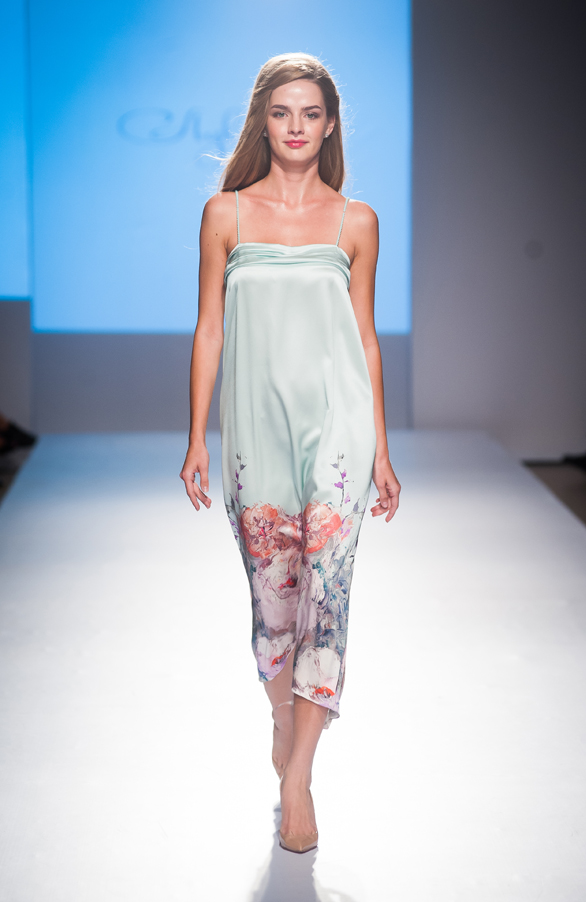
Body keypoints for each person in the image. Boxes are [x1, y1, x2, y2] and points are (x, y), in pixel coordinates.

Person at [180, 52, 401, 853]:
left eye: (311, 113)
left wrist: (380, 450)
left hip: (339, 430)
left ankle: (299, 775)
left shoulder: (356, 222)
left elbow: (365, 338)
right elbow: (210, 329)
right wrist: (196, 436)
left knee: (327, 601)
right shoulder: (226, 215)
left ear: (330, 124)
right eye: (282, 113)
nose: (297, 126)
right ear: (263, 122)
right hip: (255, 430)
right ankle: (284, 718)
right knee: (275, 605)